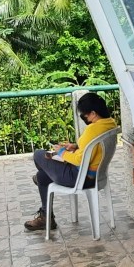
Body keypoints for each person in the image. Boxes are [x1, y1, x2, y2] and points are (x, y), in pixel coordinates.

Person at [24, 92, 117, 231]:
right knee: (43, 177)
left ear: (93, 113)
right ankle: (46, 216)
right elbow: (93, 147)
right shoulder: (110, 123)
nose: (83, 117)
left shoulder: (93, 128)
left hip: (79, 177)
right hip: (96, 176)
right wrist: (75, 146)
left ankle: (41, 183)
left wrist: (62, 153)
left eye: (84, 115)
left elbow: (80, 160)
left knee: (38, 154)